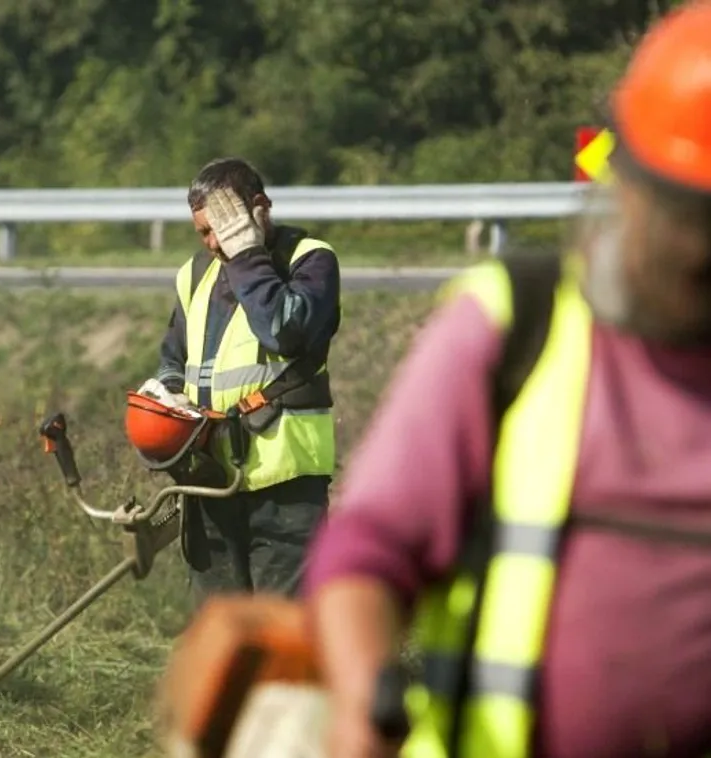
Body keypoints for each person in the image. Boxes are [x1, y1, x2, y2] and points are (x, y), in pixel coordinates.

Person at [304, 3, 711, 756]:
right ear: (628, 187)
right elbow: (367, 546)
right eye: (687, 220)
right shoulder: (515, 328)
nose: (696, 254)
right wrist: (362, 702)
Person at [134, 157, 342, 606]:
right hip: (210, 477)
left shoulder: (311, 261)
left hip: (287, 485)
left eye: (221, 230)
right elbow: (173, 357)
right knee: (220, 632)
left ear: (260, 208)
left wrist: (247, 253)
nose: (213, 244)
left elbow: (285, 332)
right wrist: (167, 392)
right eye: (204, 232)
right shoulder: (194, 274)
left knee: (283, 634)